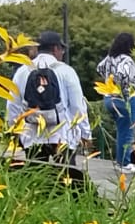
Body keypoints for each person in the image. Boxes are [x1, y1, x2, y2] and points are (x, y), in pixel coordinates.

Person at [7, 31, 90, 167]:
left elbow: (12, 105)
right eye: (61, 49)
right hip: (62, 136)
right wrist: (85, 134)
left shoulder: (22, 71)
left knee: (36, 182)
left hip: (32, 136)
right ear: (55, 48)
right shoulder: (66, 71)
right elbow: (78, 106)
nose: (62, 53)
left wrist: (14, 131)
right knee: (65, 180)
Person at [97, 32, 135, 174]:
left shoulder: (109, 58)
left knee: (122, 130)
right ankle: (124, 163)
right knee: (128, 131)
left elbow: (99, 68)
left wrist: (109, 81)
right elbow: (122, 75)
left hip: (109, 97)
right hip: (125, 99)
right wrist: (126, 90)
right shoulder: (127, 60)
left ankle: (121, 161)